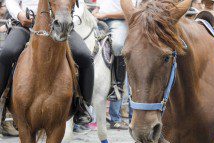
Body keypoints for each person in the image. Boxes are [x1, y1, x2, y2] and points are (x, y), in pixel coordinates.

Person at [0, 0, 94, 125]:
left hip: (60, 24)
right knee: (7, 52)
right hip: (26, 25)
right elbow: (12, 2)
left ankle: (83, 106)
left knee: (85, 56)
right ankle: (1, 102)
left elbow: (79, 3)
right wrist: (20, 14)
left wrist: (72, 19)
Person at [93, 0, 140, 130]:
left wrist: (104, 15)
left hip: (118, 21)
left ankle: (117, 85)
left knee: (118, 45)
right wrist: (95, 13)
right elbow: (98, 7)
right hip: (99, 22)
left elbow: (128, 12)